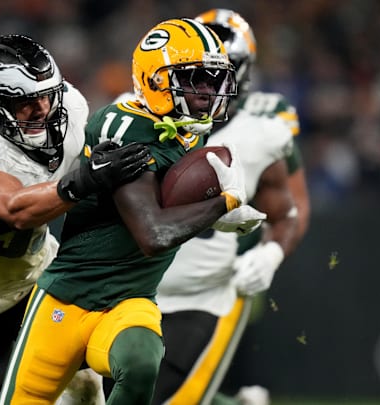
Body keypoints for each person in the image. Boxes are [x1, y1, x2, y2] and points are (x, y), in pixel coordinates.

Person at [0, 18, 267, 405]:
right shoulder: (124, 127)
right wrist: (222, 203)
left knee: (141, 361)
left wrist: (214, 214)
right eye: (196, 79)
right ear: (155, 79)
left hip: (129, 301)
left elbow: (164, 201)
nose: (208, 92)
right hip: (66, 298)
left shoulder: (189, 127)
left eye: (213, 80)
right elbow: (152, 235)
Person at [0, 34, 151, 405]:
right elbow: (16, 210)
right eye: (26, 102)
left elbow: (99, 157)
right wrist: (87, 178)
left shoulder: (70, 109)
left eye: (47, 94)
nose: (43, 108)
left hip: (38, 280)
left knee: (86, 391)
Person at [151, 9, 311, 405]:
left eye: (222, 70)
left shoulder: (263, 128)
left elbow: (293, 208)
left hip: (212, 287)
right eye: (196, 72)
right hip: (138, 285)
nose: (207, 85)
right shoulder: (137, 116)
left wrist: (272, 253)